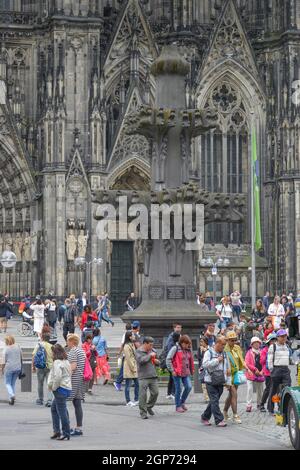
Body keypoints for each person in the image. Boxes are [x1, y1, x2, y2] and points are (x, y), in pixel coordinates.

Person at [201, 337, 231, 427]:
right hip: (210, 380)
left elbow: (226, 368)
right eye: (222, 345)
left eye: (224, 345)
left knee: (214, 401)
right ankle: (219, 420)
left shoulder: (224, 353)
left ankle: (205, 417)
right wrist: (217, 360)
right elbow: (205, 365)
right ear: (217, 343)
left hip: (220, 380)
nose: (223, 347)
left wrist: (227, 381)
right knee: (214, 400)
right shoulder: (208, 352)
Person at [48, 344, 72, 440]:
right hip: (67, 388)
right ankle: (57, 431)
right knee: (55, 409)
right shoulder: (66, 361)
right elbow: (69, 374)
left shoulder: (57, 362)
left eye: (52, 352)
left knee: (61, 411)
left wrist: (53, 387)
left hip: (60, 389)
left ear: (55, 353)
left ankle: (65, 433)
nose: (51, 354)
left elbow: (57, 377)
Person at [166, 335, 194, 413]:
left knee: (188, 387)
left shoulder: (188, 349)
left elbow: (190, 360)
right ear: (181, 342)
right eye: (185, 344)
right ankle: (178, 406)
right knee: (179, 389)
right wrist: (172, 370)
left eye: (188, 344)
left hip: (185, 372)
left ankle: (182, 402)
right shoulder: (175, 348)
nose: (187, 345)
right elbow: (168, 359)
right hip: (177, 372)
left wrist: (192, 370)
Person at [267, 329, 292, 414]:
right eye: (282, 336)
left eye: (285, 336)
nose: (284, 338)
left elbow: (290, 357)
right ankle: (271, 408)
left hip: (285, 369)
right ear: (277, 337)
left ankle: (283, 408)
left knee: (287, 388)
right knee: (274, 390)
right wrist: (272, 370)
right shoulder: (273, 346)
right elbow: (269, 360)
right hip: (276, 369)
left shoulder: (287, 346)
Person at [224, 331, 245, 424]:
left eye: (235, 340)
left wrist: (245, 370)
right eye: (231, 340)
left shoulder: (237, 348)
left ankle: (225, 411)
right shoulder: (225, 350)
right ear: (227, 340)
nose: (233, 342)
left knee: (231, 395)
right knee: (234, 394)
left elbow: (241, 360)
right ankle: (235, 415)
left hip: (236, 374)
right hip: (228, 375)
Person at [66, 334, 86, 436]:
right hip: (80, 379)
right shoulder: (81, 351)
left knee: (63, 402)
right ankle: (79, 428)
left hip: (73, 379)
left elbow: (72, 367)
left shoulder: (73, 351)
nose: (67, 343)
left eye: (68, 341)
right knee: (77, 403)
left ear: (72, 342)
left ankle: (66, 427)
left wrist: (65, 377)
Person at [136, 336, 160, 419]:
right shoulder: (139, 351)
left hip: (153, 375)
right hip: (143, 376)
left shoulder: (153, 351)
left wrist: (157, 362)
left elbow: (157, 361)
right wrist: (150, 355)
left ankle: (149, 406)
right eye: (150, 345)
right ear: (145, 344)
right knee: (143, 395)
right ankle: (143, 412)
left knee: (155, 393)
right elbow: (141, 361)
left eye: (152, 345)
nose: (151, 347)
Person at [32, 328, 54, 406]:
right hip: (49, 367)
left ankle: (40, 399)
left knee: (40, 383)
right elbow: (54, 357)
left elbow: (34, 356)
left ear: (42, 338)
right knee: (49, 384)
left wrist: (33, 366)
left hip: (40, 366)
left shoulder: (38, 345)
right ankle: (49, 400)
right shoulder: (51, 346)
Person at [245, 337, 265, 412]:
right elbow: (247, 363)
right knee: (249, 389)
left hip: (260, 374)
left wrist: (262, 371)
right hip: (251, 374)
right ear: (252, 344)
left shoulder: (262, 351)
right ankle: (248, 405)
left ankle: (259, 403)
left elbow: (264, 362)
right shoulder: (249, 352)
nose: (257, 344)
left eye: (258, 342)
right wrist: (255, 369)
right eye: (255, 342)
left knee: (260, 390)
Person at [0, 335, 22, 405]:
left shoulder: (6, 349)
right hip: (17, 367)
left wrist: (2, 369)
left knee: (7, 383)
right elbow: (21, 356)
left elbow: (3, 361)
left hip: (9, 368)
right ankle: (11, 399)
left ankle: (12, 395)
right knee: (12, 383)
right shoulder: (18, 347)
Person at [260, 332, 277, 413]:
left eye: (275, 340)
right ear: (269, 341)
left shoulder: (277, 348)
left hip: (275, 372)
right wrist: (268, 355)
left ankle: (270, 406)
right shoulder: (264, 350)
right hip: (267, 373)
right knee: (268, 389)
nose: (273, 342)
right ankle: (262, 404)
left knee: (274, 390)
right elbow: (262, 361)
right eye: (272, 340)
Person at [164, 323, 182, 399]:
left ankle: (169, 393)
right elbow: (169, 349)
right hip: (173, 361)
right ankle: (173, 393)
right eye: (177, 327)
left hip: (175, 361)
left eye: (180, 327)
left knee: (172, 378)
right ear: (174, 328)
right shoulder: (171, 337)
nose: (179, 329)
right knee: (174, 377)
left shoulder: (179, 336)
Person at [114, 322, 132, 392]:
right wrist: (119, 352)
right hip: (127, 355)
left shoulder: (126, 334)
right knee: (124, 369)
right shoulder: (128, 335)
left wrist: (119, 353)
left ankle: (120, 382)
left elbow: (122, 345)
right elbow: (123, 344)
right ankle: (118, 382)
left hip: (127, 354)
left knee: (126, 369)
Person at [123, 331, 139, 407]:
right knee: (128, 385)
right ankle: (128, 401)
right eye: (133, 335)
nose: (134, 336)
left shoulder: (131, 344)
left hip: (134, 366)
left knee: (137, 383)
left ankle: (136, 399)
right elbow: (128, 358)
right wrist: (133, 367)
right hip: (129, 367)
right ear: (129, 337)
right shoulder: (126, 346)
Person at [197, 336, 209, 402]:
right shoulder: (200, 349)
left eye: (202, 341)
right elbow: (199, 358)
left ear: (206, 342)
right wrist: (202, 351)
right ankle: (206, 398)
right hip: (201, 368)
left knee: (208, 383)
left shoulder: (209, 349)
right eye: (200, 342)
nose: (201, 343)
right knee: (203, 382)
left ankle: (209, 396)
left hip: (208, 368)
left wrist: (206, 351)